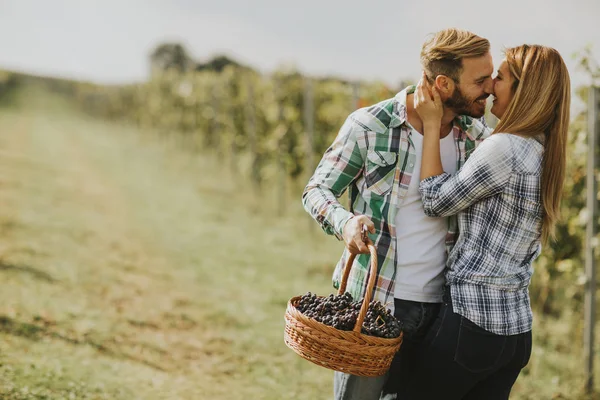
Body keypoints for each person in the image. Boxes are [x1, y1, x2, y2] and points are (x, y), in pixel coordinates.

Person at [302, 27, 494, 400]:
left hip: (443, 311)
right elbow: (317, 190)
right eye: (481, 79)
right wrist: (346, 223)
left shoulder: (476, 137)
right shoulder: (370, 126)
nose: (489, 87)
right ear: (444, 83)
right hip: (374, 305)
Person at [389, 44, 570, 399]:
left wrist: (429, 124)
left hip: (472, 324)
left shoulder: (504, 147)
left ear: (524, 91)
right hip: (515, 332)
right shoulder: (544, 148)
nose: (490, 87)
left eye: (499, 79)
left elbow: (435, 200)